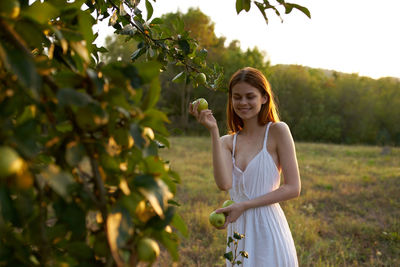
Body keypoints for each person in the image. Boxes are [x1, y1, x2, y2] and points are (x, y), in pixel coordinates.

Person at [189, 67, 301, 267]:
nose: (243, 103)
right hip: (238, 231)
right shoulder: (226, 142)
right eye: (237, 97)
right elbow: (224, 184)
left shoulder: (277, 131)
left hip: (268, 227)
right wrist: (213, 131)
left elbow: (293, 188)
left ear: (264, 98)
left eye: (250, 96)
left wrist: (244, 205)